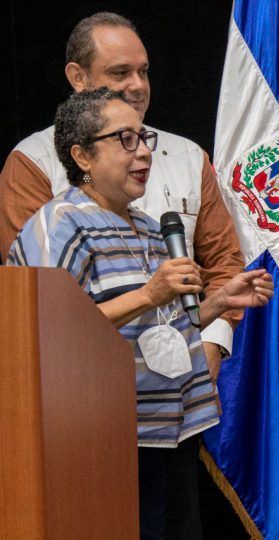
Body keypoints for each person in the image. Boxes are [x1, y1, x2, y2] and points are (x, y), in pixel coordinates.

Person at [6, 88, 274, 539]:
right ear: (82, 156)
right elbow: (42, 334)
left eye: (144, 137)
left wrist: (218, 301)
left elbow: (161, 327)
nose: (145, 151)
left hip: (176, 433)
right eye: (125, 139)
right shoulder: (60, 224)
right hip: (108, 444)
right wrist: (151, 293)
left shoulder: (151, 227)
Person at [0, 12, 242, 380]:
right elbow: (35, 301)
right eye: (120, 73)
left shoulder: (187, 156)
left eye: (143, 72)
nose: (137, 85)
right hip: (81, 387)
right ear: (77, 77)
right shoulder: (32, 161)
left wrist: (211, 342)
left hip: (175, 393)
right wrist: (149, 295)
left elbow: (223, 261)